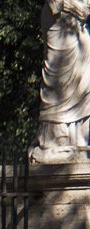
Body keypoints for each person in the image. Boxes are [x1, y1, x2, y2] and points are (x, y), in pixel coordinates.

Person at [31, 0, 90, 163]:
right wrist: (72, 6)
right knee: (59, 82)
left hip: (79, 26)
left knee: (85, 80)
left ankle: (80, 142)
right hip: (59, 18)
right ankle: (55, 139)